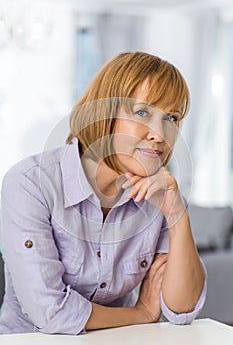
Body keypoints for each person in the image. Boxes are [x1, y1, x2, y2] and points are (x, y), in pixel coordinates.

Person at [0, 51, 206, 335]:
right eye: (143, 112)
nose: (159, 134)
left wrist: (177, 216)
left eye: (171, 118)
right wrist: (141, 313)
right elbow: (50, 313)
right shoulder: (30, 184)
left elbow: (181, 311)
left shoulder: (161, 195)